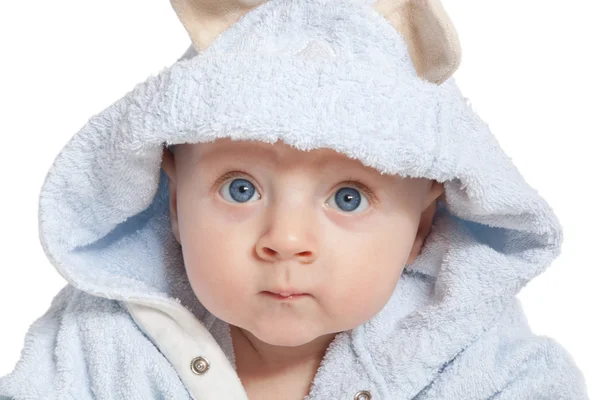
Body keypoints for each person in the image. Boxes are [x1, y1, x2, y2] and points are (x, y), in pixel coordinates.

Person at [0, 0, 589, 399]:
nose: (285, 239)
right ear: (175, 204)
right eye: (240, 189)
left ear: (422, 226)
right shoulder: (98, 343)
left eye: (349, 198)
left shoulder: (472, 356)